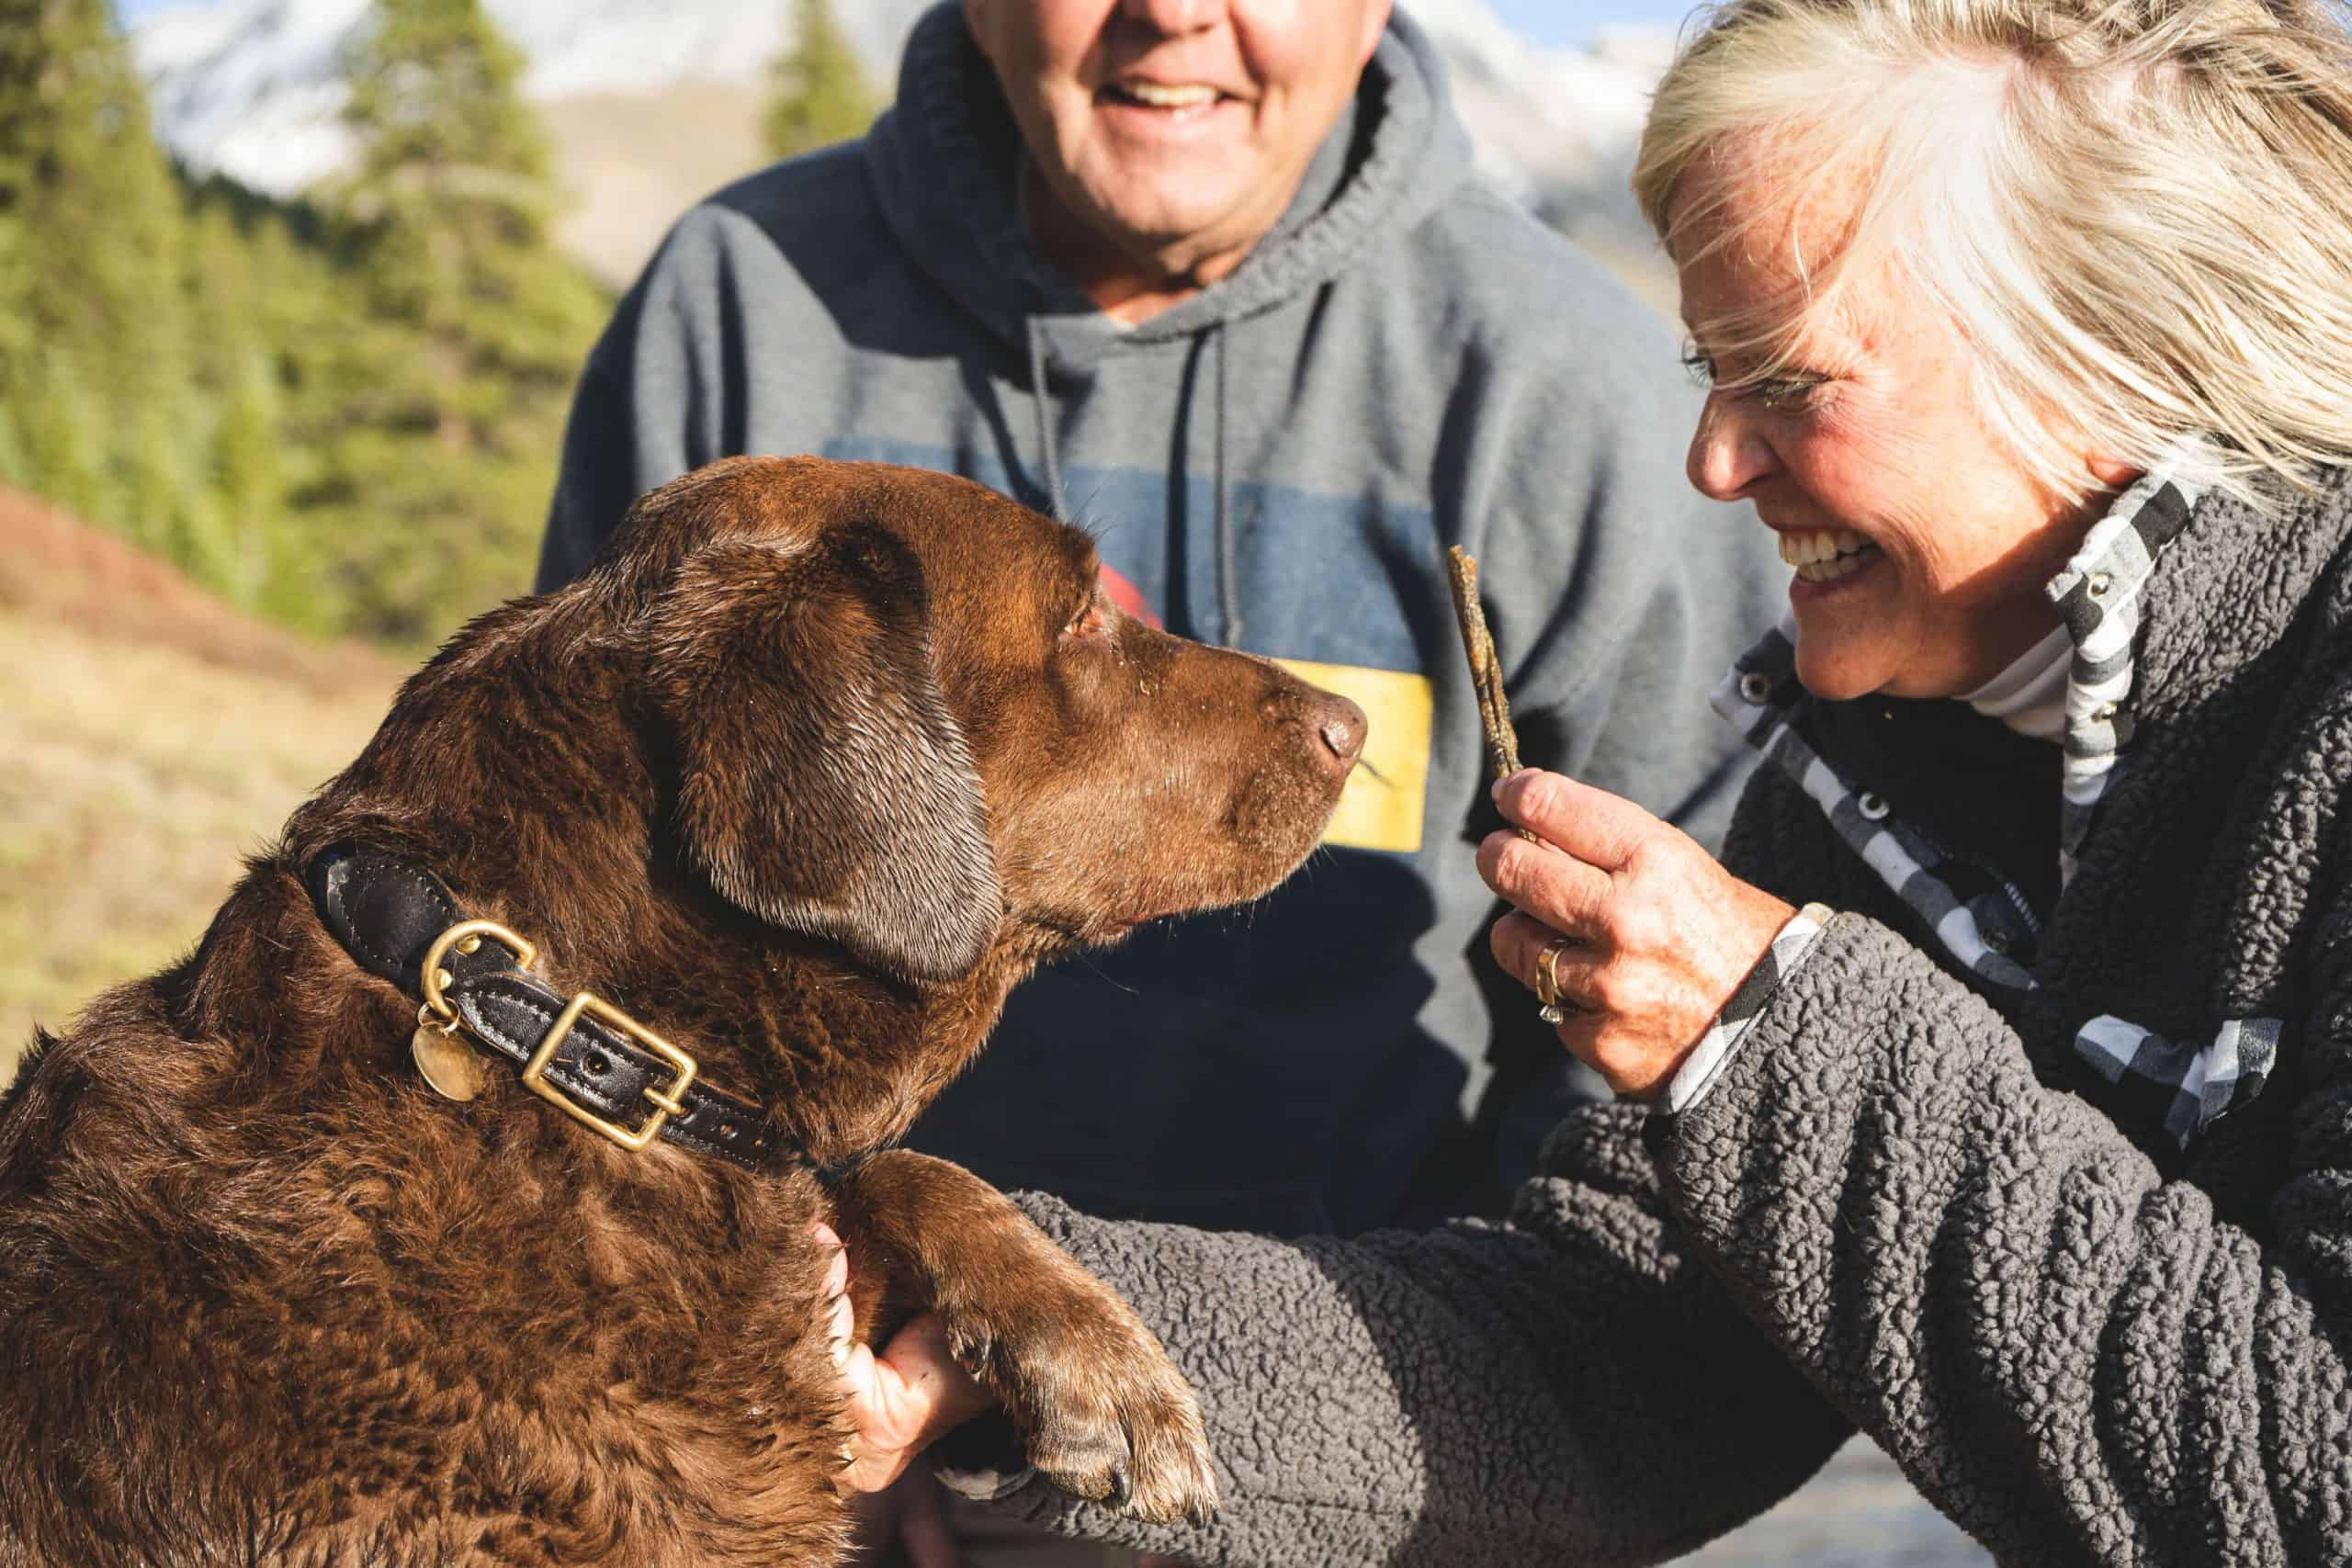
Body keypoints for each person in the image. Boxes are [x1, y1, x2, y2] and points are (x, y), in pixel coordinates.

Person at [835, 0, 2352, 1562]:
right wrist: (1009, 1337)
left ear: (2122, 349)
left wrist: (1765, 1039)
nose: (1711, 461)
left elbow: (2309, 1476)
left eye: (1789, 376)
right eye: (1711, 367)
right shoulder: (1883, 772)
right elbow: (1610, 1366)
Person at [542, 6, 1775, 1251]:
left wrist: (1469, 1395)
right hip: (798, 1379)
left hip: (1376, 1374)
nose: (1175, 12)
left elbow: (1675, 1050)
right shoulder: (742, 311)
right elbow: (574, 927)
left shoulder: (1565, 391)